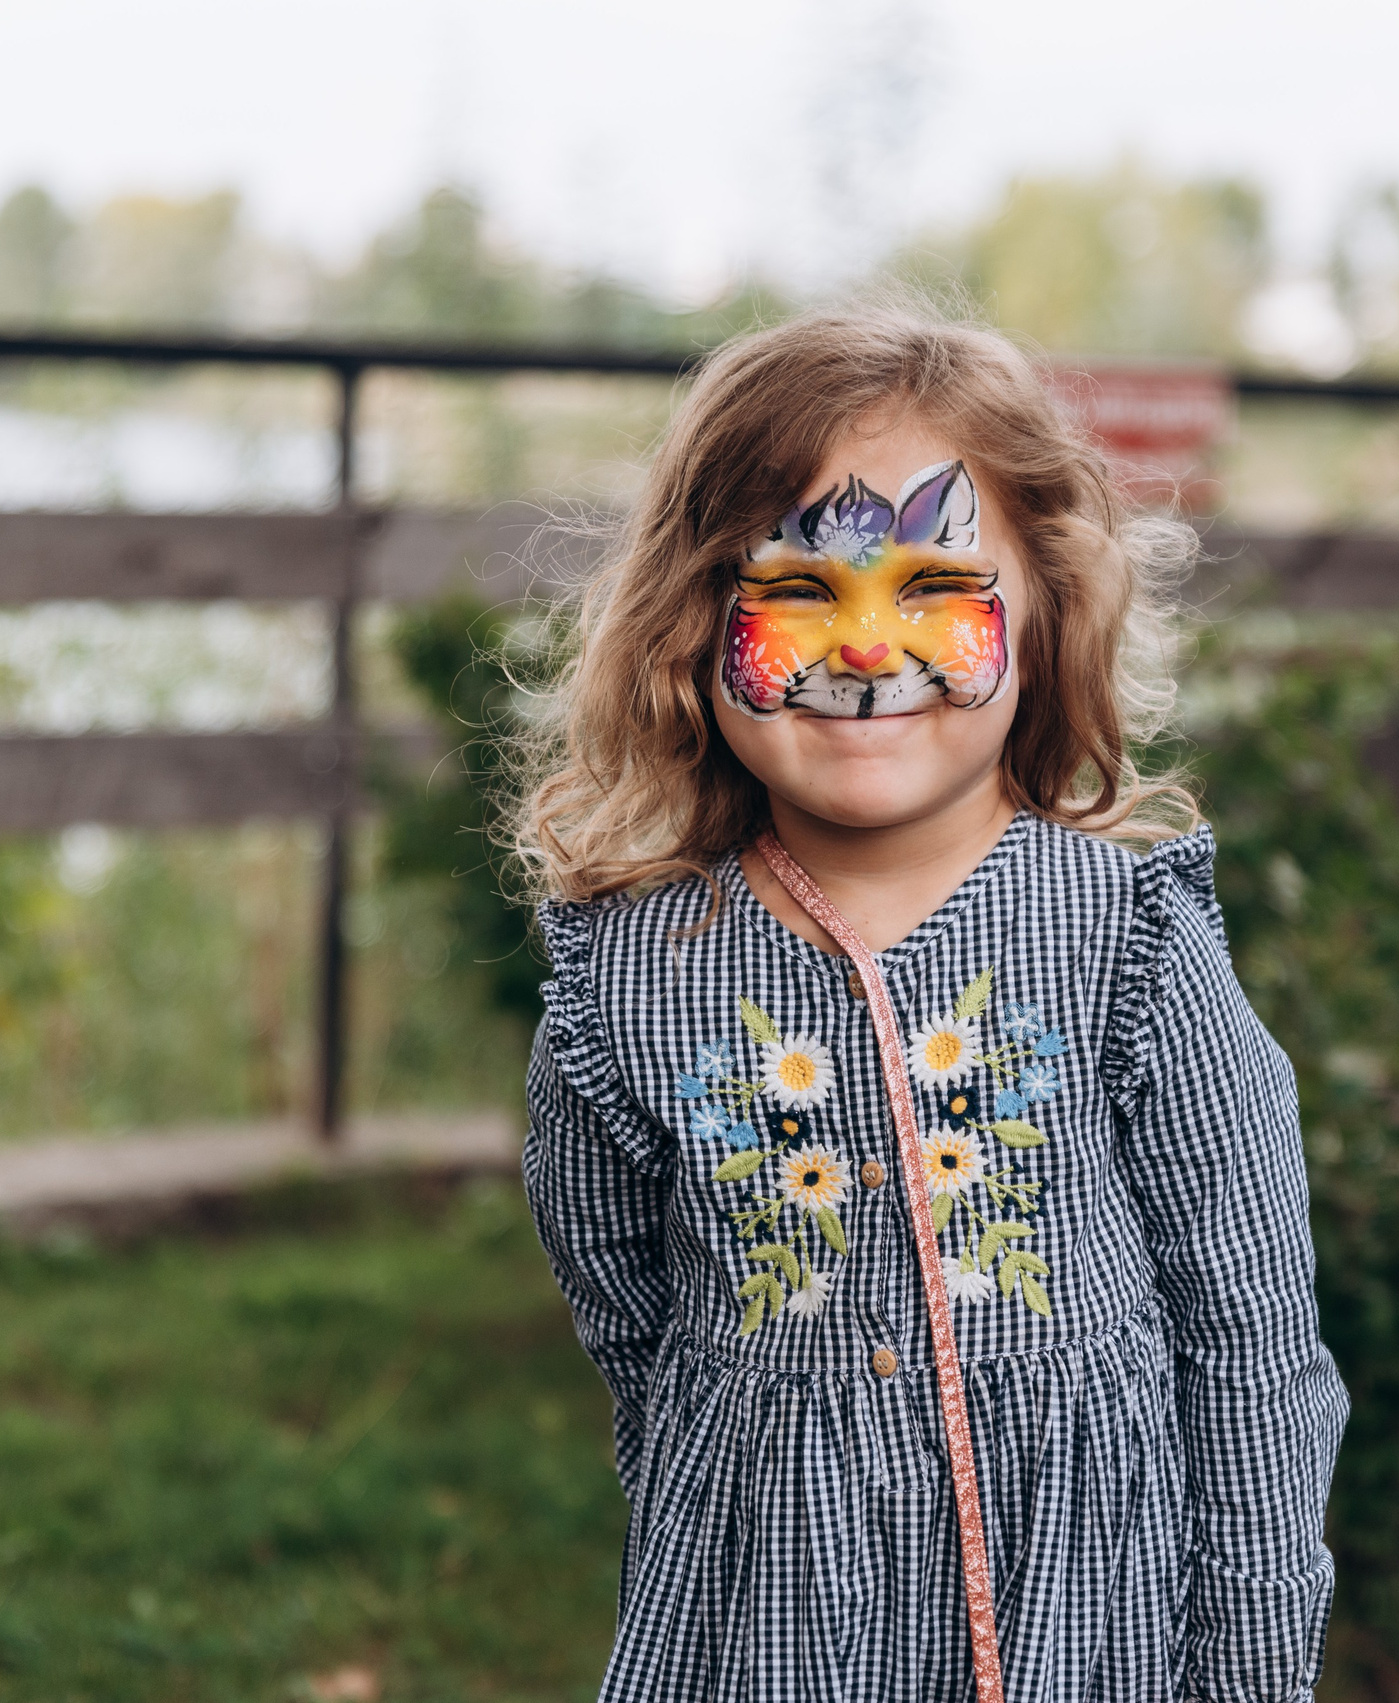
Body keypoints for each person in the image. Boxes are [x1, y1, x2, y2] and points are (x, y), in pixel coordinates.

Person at [513, 298, 1346, 1703]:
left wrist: (1254, 1669)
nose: (864, 646)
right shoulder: (630, 978)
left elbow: (1252, 1341)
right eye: (795, 591)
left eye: (933, 588)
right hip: (757, 1638)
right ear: (691, 617)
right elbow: (630, 1322)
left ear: (1046, 608)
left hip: (1089, 1638)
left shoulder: (1129, 946)